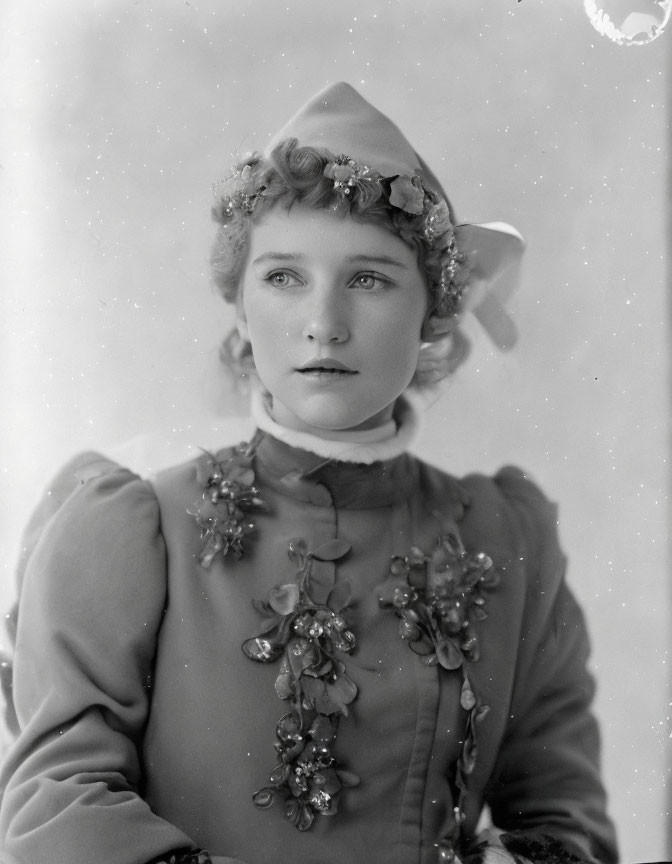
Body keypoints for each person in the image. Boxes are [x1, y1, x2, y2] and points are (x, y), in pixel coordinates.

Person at [0, 83, 618, 864]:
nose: (323, 322)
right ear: (240, 305)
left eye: (368, 279)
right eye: (284, 276)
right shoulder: (134, 527)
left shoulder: (505, 536)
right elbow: (56, 810)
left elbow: (566, 823)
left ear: (431, 309)